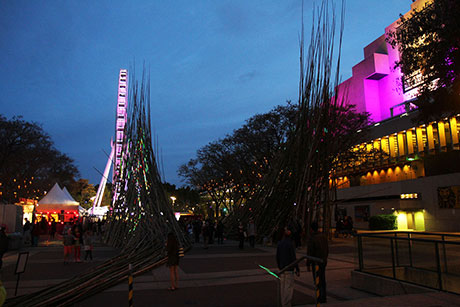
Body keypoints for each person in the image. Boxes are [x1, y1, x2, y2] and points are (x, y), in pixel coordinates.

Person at [276, 225, 299, 307]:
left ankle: (283, 303)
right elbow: (293, 257)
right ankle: (287, 304)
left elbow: (277, 256)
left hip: (282, 268)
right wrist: (297, 268)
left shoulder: (280, 243)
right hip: (289, 268)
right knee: (288, 287)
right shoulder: (290, 243)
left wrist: (279, 266)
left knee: (283, 287)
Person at [307, 221, 329, 304]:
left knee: (317, 280)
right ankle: (323, 297)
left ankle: (319, 297)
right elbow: (327, 249)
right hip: (323, 261)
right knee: (322, 279)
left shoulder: (313, 238)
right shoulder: (323, 236)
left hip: (316, 262)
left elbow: (310, 252)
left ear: (311, 229)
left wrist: (308, 263)